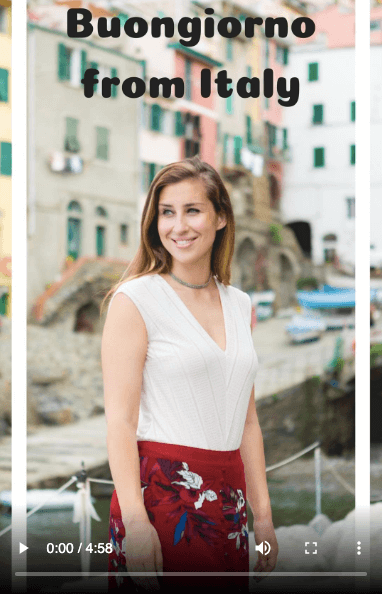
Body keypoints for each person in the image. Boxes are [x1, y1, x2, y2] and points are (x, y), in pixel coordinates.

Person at [101, 157, 278, 592]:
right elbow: (120, 422)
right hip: (163, 500)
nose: (178, 226)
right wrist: (138, 525)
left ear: (220, 217)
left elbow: (248, 420)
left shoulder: (240, 304)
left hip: (229, 498)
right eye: (167, 212)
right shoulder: (135, 300)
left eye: (192, 210)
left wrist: (266, 518)